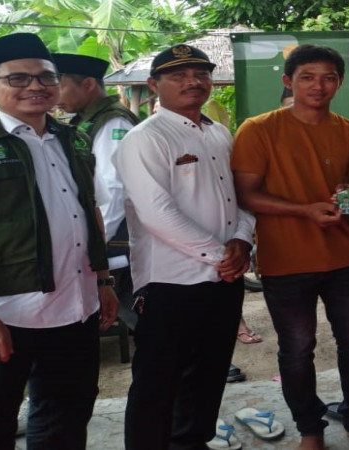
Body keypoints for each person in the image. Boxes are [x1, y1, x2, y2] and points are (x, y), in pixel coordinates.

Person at [231, 44, 349, 450]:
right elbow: (247, 195)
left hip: (345, 257)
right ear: (289, 81)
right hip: (285, 260)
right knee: (297, 349)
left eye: (328, 78)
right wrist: (304, 210)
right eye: (307, 77)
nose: (318, 86)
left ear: (340, 82)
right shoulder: (258, 129)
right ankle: (310, 430)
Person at [112, 44, 255, 449]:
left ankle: (192, 443)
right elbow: (156, 213)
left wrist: (242, 239)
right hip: (170, 283)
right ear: (153, 85)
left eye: (201, 73)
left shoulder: (219, 133)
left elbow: (241, 196)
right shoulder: (145, 138)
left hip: (223, 280)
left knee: (208, 374)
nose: (193, 81)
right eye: (178, 75)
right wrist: (222, 255)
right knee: (158, 382)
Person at [0, 33, 118, 449]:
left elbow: (91, 212)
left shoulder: (73, 139)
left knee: (67, 414)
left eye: (45, 77)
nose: (35, 86)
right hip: (7, 314)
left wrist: (103, 279)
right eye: (18, 78)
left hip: (75, 307)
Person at [54, 53, 140, 327]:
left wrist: (95, 246)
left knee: (139, 320)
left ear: (88, 84)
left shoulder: (113, 122)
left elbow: (113, 190)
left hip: (116, 243)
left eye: (60, 85)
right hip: (106, 243)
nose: (54, 94)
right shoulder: (85, 121)